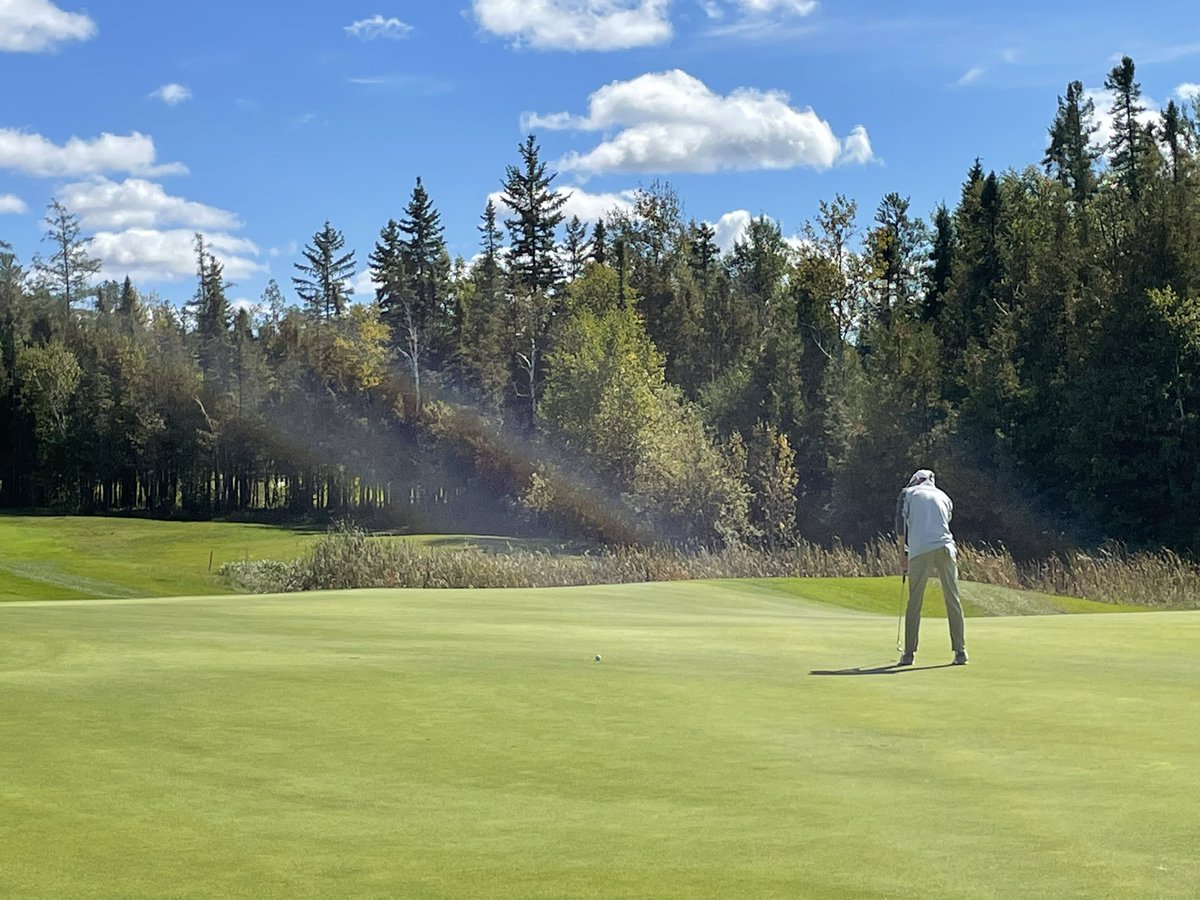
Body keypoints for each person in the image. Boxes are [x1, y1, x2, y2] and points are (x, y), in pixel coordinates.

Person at [894, 469, 967, 666]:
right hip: (946, 548)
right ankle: (960, 652)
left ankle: (909, 654)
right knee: (953, 599)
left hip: (921, 550)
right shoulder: (944, 496)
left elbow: (900, 524)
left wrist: (902, 555)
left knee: (915, 602)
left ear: (916, 480)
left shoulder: (907, 494)